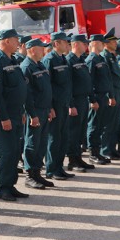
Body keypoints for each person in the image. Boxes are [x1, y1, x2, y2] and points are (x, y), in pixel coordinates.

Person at [0, 29, 30, 200]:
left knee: (14, 151)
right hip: (5, 116)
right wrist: (4, 117)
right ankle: (3, 187)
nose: (18, 42)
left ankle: (11, 185)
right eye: (15, 39)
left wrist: (22, 112)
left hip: (16, 114)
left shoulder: (12, 59)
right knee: (7, 152)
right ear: (4, 41)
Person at [21, 38, 55, 189]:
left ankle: (37, 173)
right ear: (32, 49)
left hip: (44, 109)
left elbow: (47, 89)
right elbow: (27, 95)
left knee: (41, 143)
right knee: (32, 143)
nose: (44, 50)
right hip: (34, 112)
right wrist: (32, 114)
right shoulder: (26, 67)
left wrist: (50, 107)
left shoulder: (40, 65)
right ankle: (29, 175)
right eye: (41, 48)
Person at [42, 32, 75, 180]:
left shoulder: (62, 58)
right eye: (64, 42)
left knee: (63, 137)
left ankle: (59, 167)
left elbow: (67, 83)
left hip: (64, 104)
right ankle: (51, 169)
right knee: (54, 138)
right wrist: (49, 107)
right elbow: (46, 86)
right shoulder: (49, 60)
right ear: (56, 43)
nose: (67, 44)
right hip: (55, 106)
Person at [65, 34, 95, 172]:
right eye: (84, 43)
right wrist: (71, 104)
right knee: (73, 132)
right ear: (76, 44)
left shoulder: (81, 60)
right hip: (75, 101)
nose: (86, 46)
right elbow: (68, 84)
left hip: (83, 99)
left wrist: (92, 98)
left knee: (81, 131)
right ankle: (72, 160)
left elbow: (87, 81)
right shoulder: (69, 60)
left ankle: (78, 157)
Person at [85, 34, 112, 165]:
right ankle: (92, 153)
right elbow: (89, 82)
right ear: (95, 43)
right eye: (102, 43)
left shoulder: (100, 58)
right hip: (96, 97)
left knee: (100, 125)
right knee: (94, 126)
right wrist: (92, 100)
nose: (104, 45)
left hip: (103, 96)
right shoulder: (91, 60)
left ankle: (98, 152)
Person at [100, 28, 120, 161]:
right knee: (108, 124)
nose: (116, 44)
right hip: (111, 93)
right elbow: (106, 79)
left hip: (117, 92)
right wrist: (110, 96)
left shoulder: (112, 56)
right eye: (113, 42)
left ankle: (112, 149)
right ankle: (105, 149)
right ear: (107, 43)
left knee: (114, 123)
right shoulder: (105, 57)